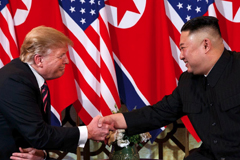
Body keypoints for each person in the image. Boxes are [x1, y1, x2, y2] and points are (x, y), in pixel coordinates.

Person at [99, 16, 240, 160]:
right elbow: (158, 113)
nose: (181, 56)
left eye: (183, 48)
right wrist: (114, 120)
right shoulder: (188, 82)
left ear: (205, 45)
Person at [0, 26, 112, 160]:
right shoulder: (15, 81)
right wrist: (88, 132)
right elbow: (38, 134)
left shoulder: (27, 76)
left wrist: (43, 155)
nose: (66, 61)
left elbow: (31, 135)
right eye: (61, 55)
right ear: (39, 60)